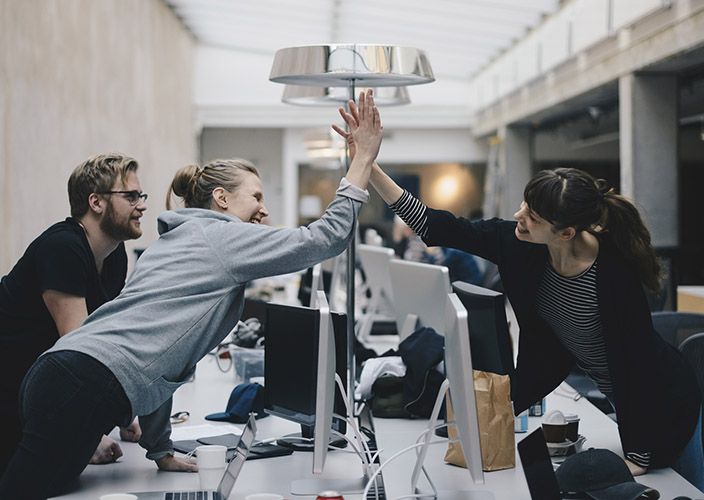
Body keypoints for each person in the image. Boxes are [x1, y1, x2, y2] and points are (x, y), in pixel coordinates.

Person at [0, 89, 383, 499]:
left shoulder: (176, 241)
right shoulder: (223, 237)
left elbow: (158, 358)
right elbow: (323, 239)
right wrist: (362, 161)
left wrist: (160, 447)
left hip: (61, 376)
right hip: (82, 384)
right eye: (255, 196)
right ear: (221, 199)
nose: (263, 210)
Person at [335, 112, 702, 485]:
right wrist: (368, 164)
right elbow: (435, 225)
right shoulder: (519, 244)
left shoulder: (614, 272)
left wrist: (638, 452)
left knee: (676, 486)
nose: (518, 217)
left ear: (565, 232)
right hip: (621, 400)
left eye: (532, 216)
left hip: (665, 402)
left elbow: (637, 363)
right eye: (524, 206)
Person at [0, 153, 146, 474]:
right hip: (10, 391)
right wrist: (91, 434)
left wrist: (127, 412)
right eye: (131, 196)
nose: (142, 204)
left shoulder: (114, 254)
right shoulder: (62, 248)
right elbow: (79, 352)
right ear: (96, 202)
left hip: (34, 388)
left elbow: (108, 336)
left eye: (141, 195)